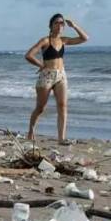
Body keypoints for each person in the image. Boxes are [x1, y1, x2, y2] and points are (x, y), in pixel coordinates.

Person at [25, 13, 89, 144]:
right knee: (40, 108)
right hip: (47, 76)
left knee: (63, 106)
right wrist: (41, 65)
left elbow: (84, 38)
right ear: (51, 25)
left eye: (62, 23)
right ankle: (30, 133)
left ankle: (61, 138)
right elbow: (29, 55)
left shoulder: (64, 40)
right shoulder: (45, 40)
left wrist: (74, 25)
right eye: (56, 23)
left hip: (61, 75)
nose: (60, 25)